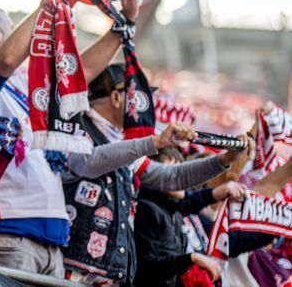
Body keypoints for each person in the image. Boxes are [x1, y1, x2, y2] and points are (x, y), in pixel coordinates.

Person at [0, 0, 141, 277]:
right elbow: (5, 61)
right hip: (9, 233)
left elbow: (80, 70)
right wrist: (50, 1)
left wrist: (121, 25)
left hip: (52, 238)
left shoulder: (24, 84)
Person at [59, 65, 244, 285]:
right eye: (139, 97)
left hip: (110, 274)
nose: (146, 106)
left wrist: (224, 160)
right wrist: (156, 142)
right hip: (75, 272)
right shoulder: (77, 130)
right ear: (116, 97)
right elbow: (91, 160)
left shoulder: (124, 147)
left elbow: (172, 178)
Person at [134, 148, 245, 287]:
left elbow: (193, 201)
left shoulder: (175, 210)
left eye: (182, 173)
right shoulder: (146, 209)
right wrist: (192, 259)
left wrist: (219, 192)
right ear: (154, 177)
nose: (181, 180)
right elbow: (146, 268)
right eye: (173, 173)